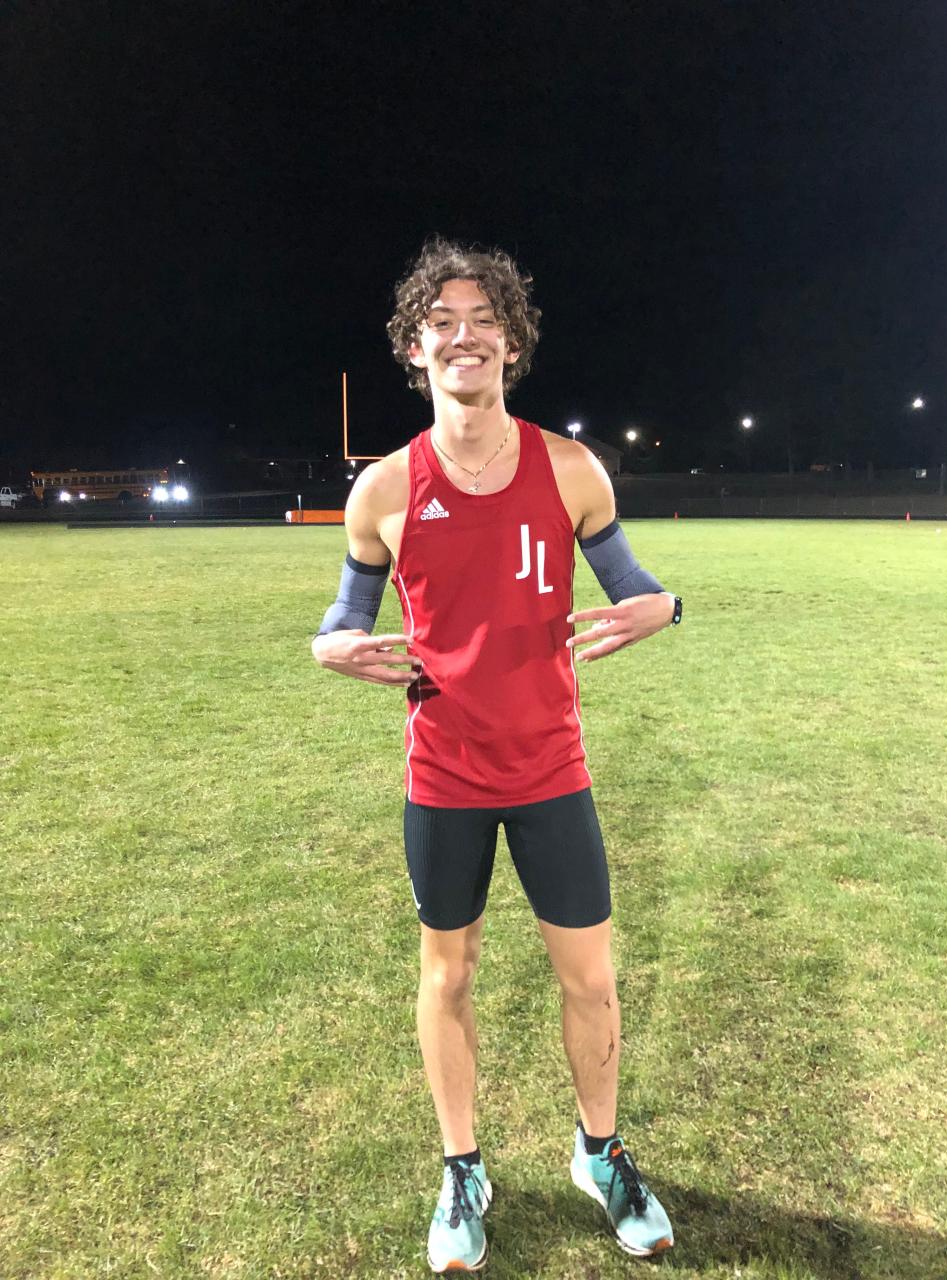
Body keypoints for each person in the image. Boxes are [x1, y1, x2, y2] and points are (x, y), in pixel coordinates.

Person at [312, 238, 681, 1272]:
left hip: (551, 766)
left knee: (590, 975)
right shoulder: (383, 487)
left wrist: (664, 605)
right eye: (442, 320)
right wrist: (330, 641)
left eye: (483, 318)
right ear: (415, 345)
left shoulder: (571, 467)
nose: (463, 333)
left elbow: (632, 578)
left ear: (511, 341)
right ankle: (463, 1165)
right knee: (448, 972)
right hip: (444, 773)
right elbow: (346, 613)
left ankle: (598, 1152)